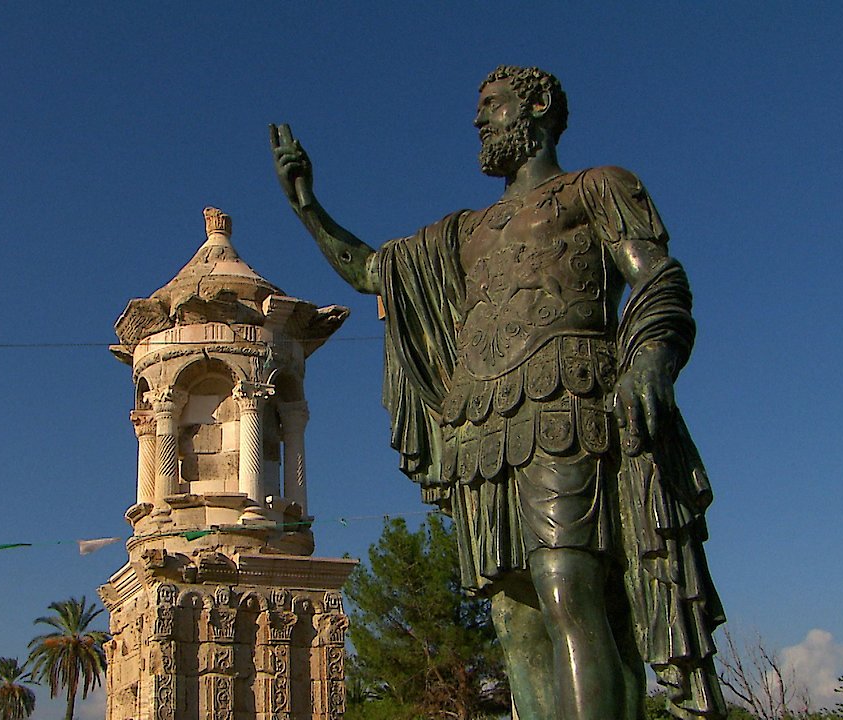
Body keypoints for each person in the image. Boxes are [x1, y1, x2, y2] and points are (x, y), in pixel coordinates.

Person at [271, 65, 726, 720]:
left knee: (569, 586)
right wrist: (308, 207)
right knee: (515, 617)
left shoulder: (598, 187)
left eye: (491, 106)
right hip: (483, 424)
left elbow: (660, 279)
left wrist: (650, 360)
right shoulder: (462, 232)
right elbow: (375, 273)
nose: (479, 121)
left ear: (535, 106)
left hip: (569, 402)